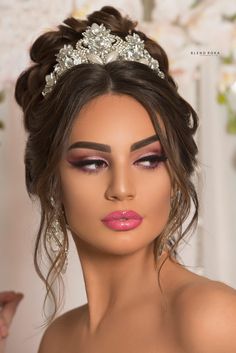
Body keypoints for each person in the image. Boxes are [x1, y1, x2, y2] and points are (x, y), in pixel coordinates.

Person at [15, 6, 236, 353]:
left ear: (175, 172)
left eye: (148, 160)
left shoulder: (212, 317)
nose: (122, 188)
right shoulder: (58, 340)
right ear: (50, 180)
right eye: (91, 163)